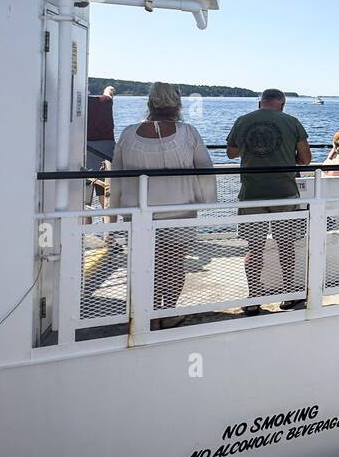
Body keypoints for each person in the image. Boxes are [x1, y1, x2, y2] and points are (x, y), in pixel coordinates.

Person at [109, 83, 216, 329]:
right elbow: (206, 170)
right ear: (177, 105)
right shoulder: (188, 133)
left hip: (139, 214)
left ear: (150, 103)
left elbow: (116, 176)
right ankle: (165, 312)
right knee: (174, 264)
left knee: (145, 265)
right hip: (180, 212)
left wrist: (114, 213)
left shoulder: (128, 134)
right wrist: (208, 202)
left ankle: (147, 314)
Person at [226, 89, 312, 315]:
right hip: (284, 192)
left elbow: (231, 153)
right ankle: (287, 295)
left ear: (259, 103)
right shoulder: (292, 122)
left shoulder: (243, 121)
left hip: (252, 193)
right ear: (282, 105)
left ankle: (254, 297)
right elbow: (306, 159)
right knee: (286, 245)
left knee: (254, 247)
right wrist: (285, 158)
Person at [86, 85, 118, 217]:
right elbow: (109, 93)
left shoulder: (79, 103)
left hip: (86, 151)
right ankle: (108, 234)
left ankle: (82, 234)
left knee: (84, 200)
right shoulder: (106, 101)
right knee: (105, 195)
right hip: (106, 152)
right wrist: (108, 89)